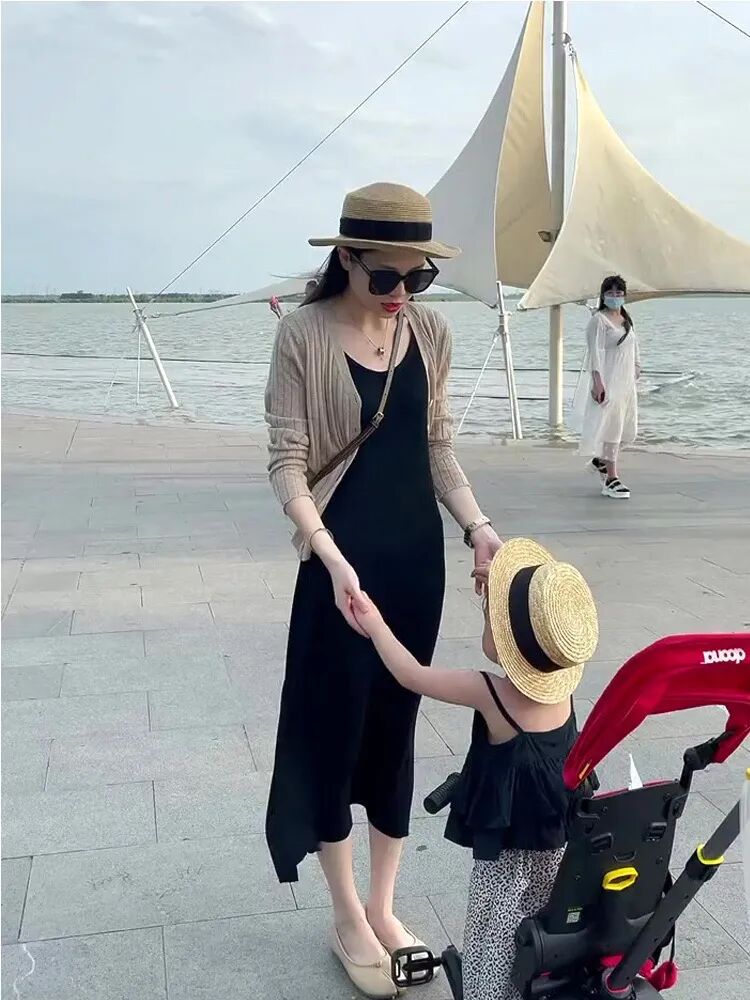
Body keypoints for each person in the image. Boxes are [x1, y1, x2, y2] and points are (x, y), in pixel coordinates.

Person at [264, 181, 503, 998]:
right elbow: (287, 462)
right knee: (334, 732)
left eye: (419, 277)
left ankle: (383, 905)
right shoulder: (302, 334)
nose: (403, 292)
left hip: (413, 566)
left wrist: (478, 528)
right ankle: (345, 914)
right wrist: (330, 559)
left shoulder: (430, 333)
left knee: (396, 728)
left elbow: (438, 448)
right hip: (338, 568)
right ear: (347, 258)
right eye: (386, 276)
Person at [352, 537, 599, 1000]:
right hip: (557, 852)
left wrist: (375, 622)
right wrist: (500, 589)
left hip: (506, 864)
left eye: (491, 617)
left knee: (493, 939)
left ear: (506, 642)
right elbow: (534, 618)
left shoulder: (491, 692)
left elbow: (410, 675)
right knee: (539, 935)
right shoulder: (561, 693)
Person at [572, 275, 641, 499]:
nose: (615, 297)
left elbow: (633, 346)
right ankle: (611, 478)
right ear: (603, 295)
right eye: (610, 293)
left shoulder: (626, 319)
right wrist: (598, 382)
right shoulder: (598, 321)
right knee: (611, 428)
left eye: (619, 293)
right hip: (609, 381)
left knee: (625, 429)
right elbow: (595, 353)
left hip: (625, 384)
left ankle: (601, 461)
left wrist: (637, 367)